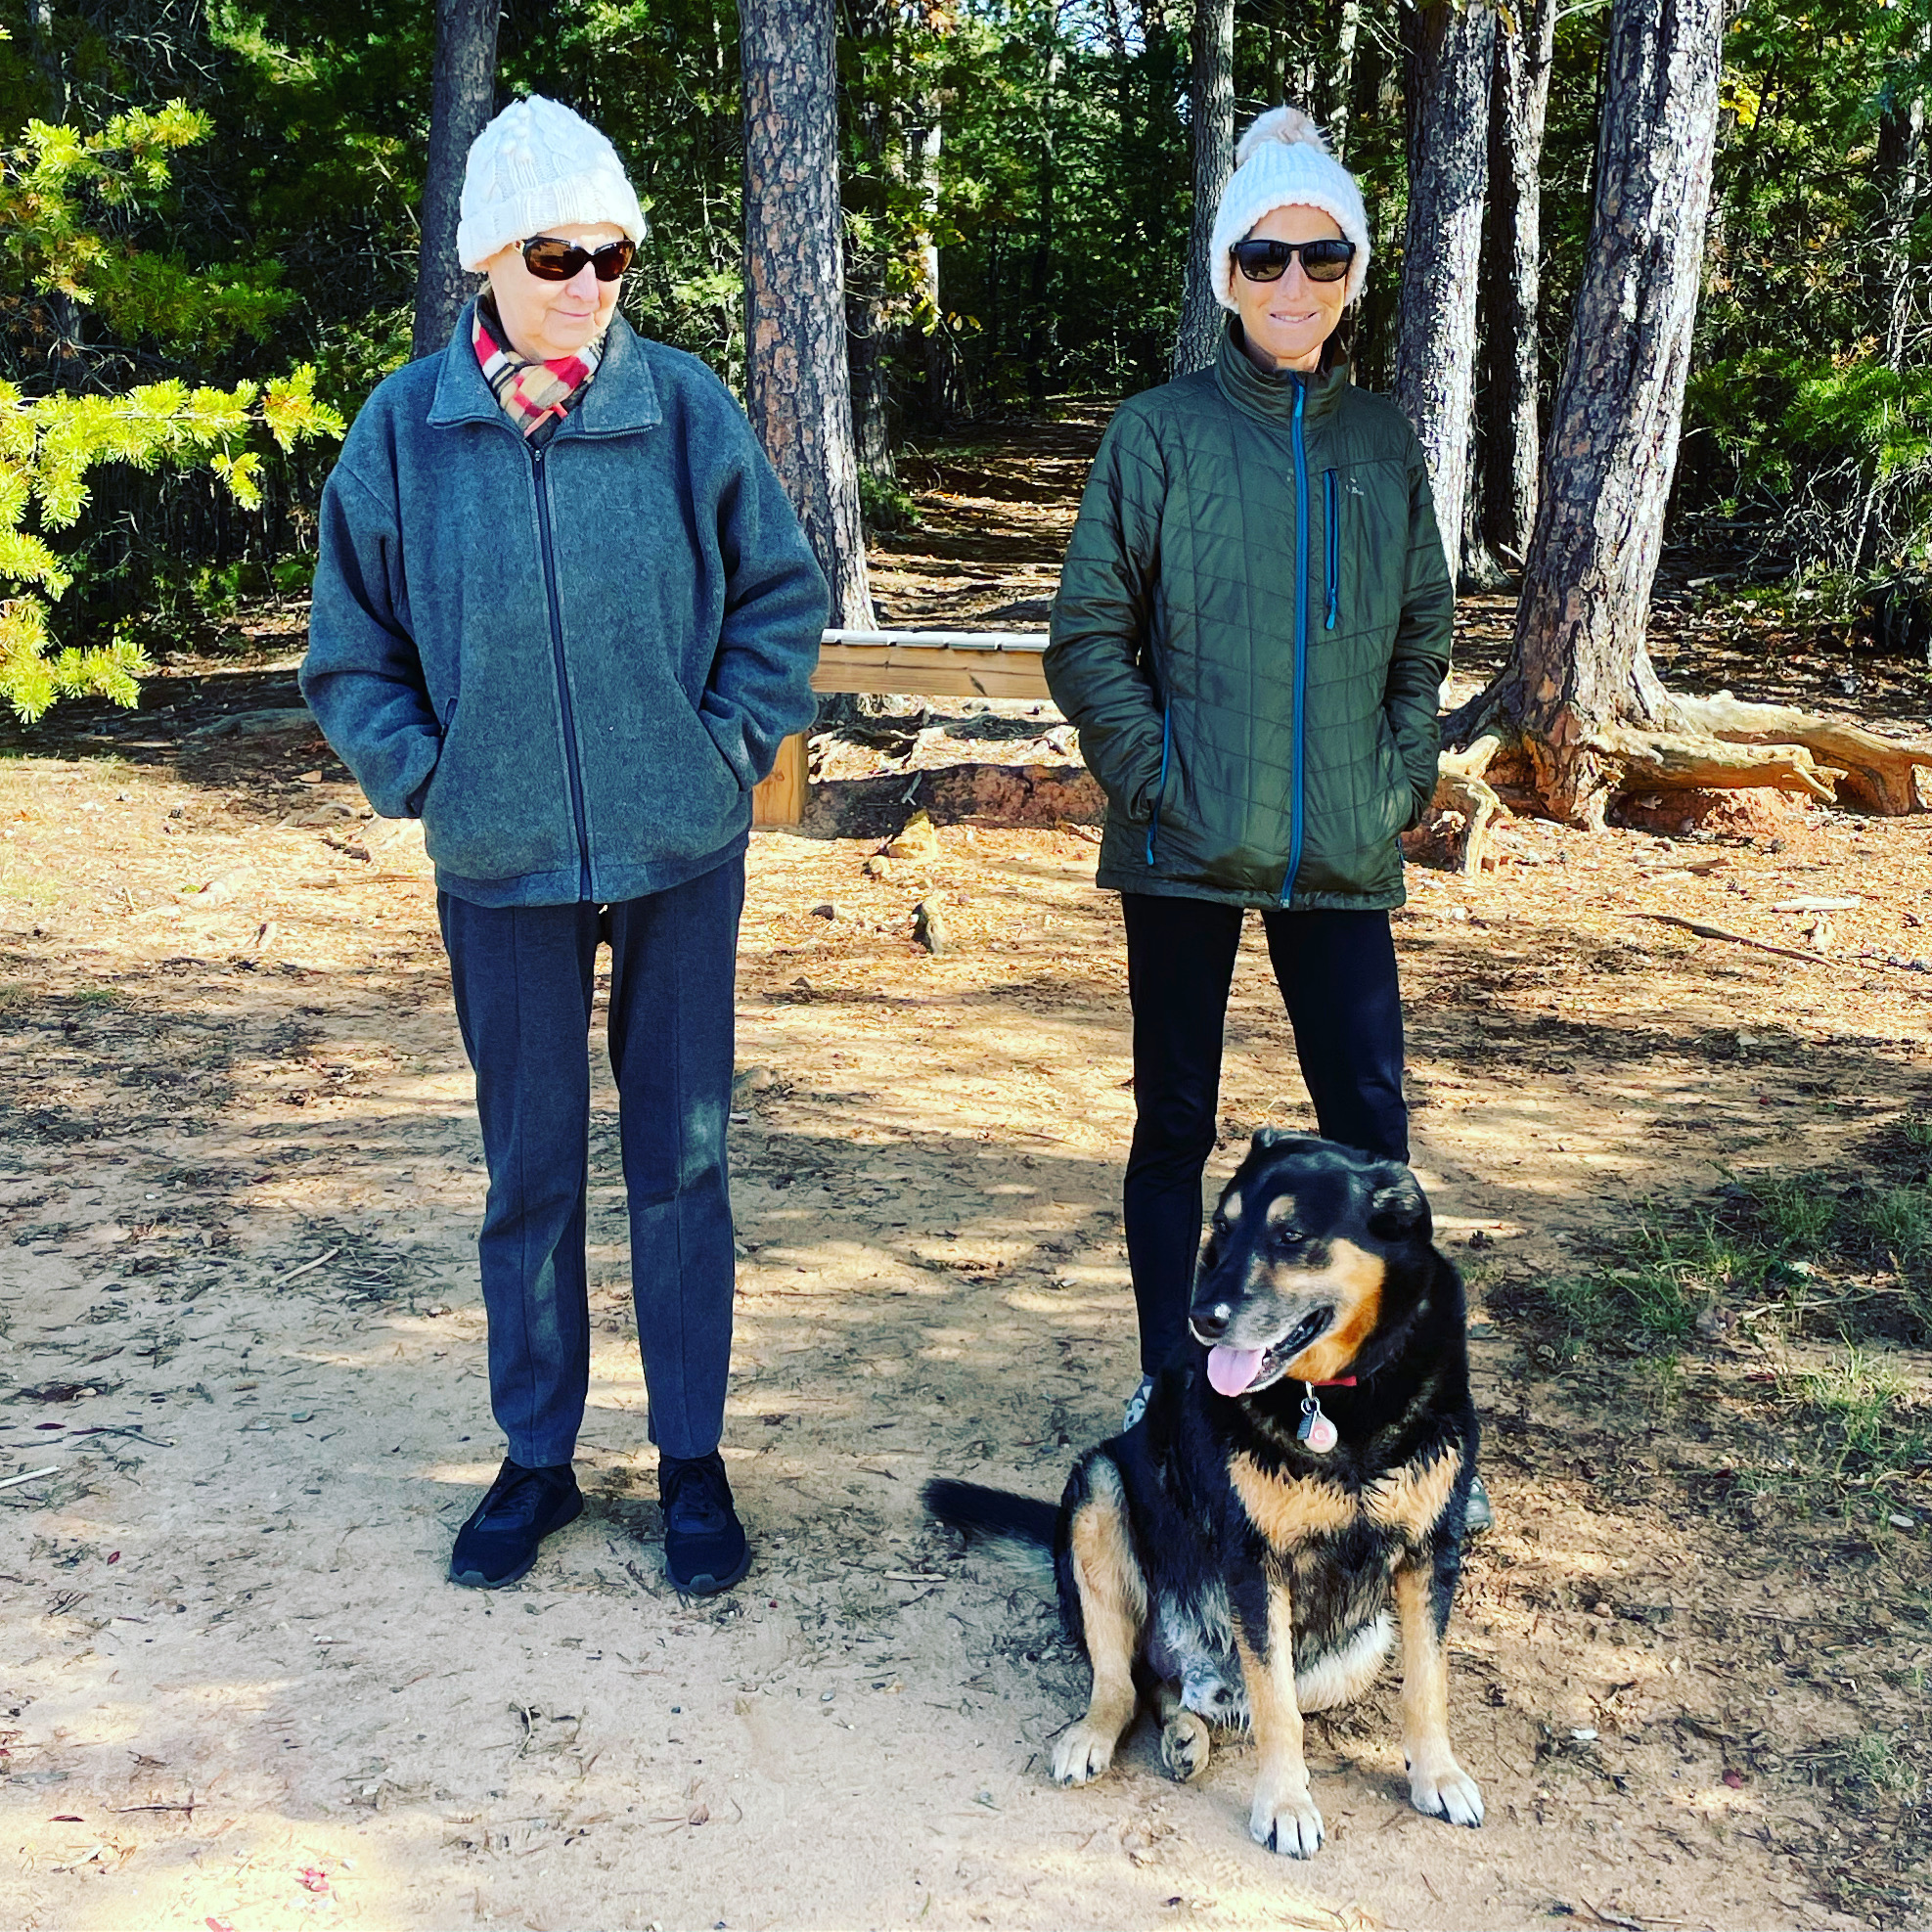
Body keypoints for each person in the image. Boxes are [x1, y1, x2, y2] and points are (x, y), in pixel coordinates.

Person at [301, 95, 827, 1595]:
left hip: (679, 855)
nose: (590, 286)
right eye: (557, 255)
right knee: (527, 1172)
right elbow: (350, 650)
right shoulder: (408, 430)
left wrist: (718, 749)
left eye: (612, 256)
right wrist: (431, 780)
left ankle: (691, 1466)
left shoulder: (682, 408)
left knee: (685, 1164)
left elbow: (780, 600)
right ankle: (536, 1464)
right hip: (502, 864)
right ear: (489, 260)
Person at [1044, 106, 1489, 1529]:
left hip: (1341, 849)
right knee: (1173, 1119)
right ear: (1226, 270)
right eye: (1263, 257)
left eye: (1321, 257)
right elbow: (1087, 634)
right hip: (1184, 839)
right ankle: (1182, 1398)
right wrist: (1156, 776)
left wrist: (1396, 771)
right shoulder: (1158, 434)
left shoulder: (1379, 440)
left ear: (1354, 269)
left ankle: (1383, 1410)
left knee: (1370, 1120)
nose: (1293, 286)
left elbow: (1425, 620)